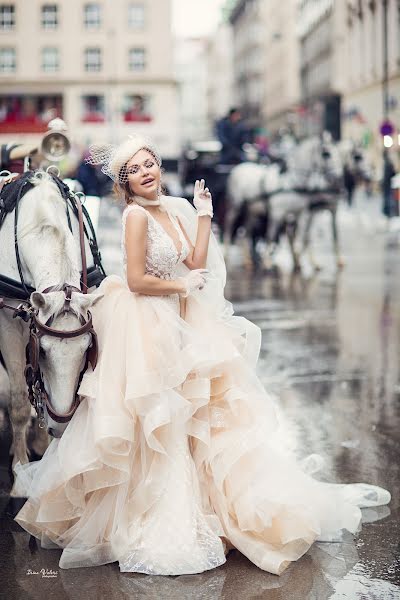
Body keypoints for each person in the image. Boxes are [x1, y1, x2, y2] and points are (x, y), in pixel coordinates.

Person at [12, 135, 390, 576]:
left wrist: (205, 215)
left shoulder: (173, 209)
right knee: (162, 418)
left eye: (149, 163)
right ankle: (158, 509)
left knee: (202, 412)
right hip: (150, 319)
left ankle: (211, 503)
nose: (146, 172)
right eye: (134, 170)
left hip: (182, 314)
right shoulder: (135, 216)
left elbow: (194, 260)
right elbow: (135, 280)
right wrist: (179, 287)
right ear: (125, 184)